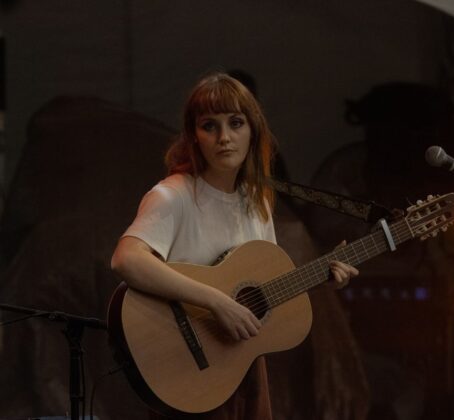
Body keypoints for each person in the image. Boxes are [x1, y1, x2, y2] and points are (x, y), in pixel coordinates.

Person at [110, 72, 359, 419]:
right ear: (194, 136)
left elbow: (263, 293)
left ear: (253, 131)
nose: (224, 137)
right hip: (189, 372)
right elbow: (126, 260)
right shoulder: (173, 195)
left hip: (239, 370)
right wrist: (216, 302)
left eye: (236, 123)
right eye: (209, 126)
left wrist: (322, 276)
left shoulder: (256, 201)